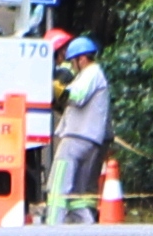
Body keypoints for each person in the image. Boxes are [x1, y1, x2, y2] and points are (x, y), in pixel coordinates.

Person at [47, 32, 111, 217]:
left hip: (76, 139)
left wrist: (54, 86)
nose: (71, 67)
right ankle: (84, 227)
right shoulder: (93, 74)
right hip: (89, 140)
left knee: (58, 188)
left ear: (82, 59)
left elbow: (76, 96)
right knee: (77, 195)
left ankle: (52, 226)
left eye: (73, 61)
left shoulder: (91, 73)